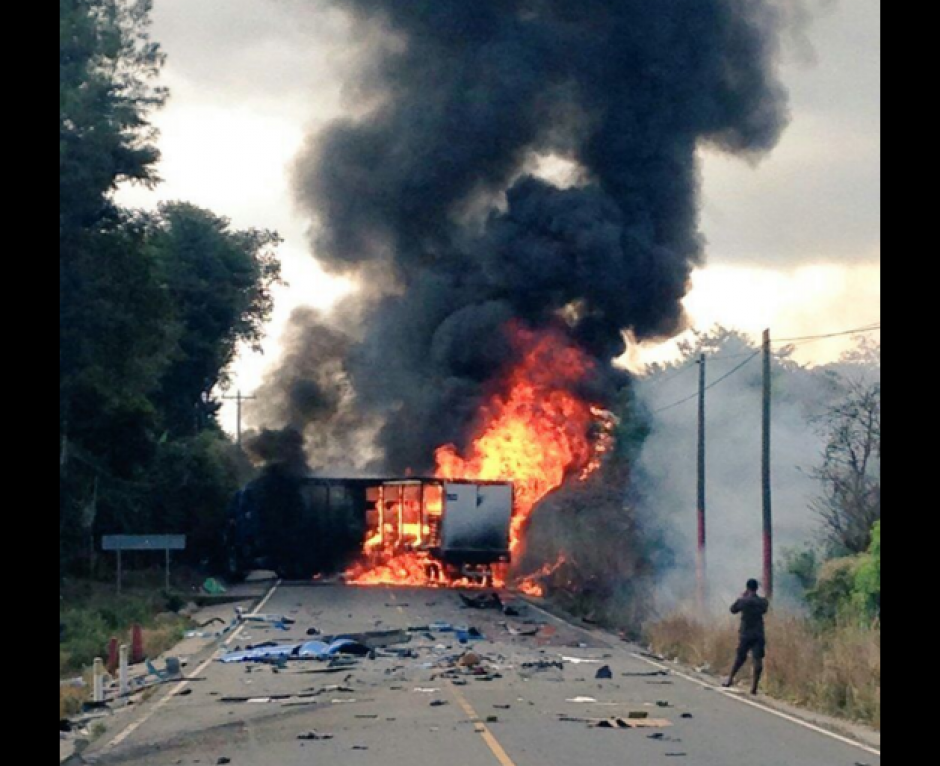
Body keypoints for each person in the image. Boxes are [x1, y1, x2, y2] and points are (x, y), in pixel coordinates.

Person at [724, 579, 770, 695]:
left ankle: (730, 679)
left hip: (745, 634)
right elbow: (765, 609)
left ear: (747, 588)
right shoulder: (762, 602)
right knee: (757, 660)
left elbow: (733, 609)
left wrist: (743, 597)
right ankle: (754, 687)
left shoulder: (743, 601)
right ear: (756, 588)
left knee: (740, 657)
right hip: (758, 634)